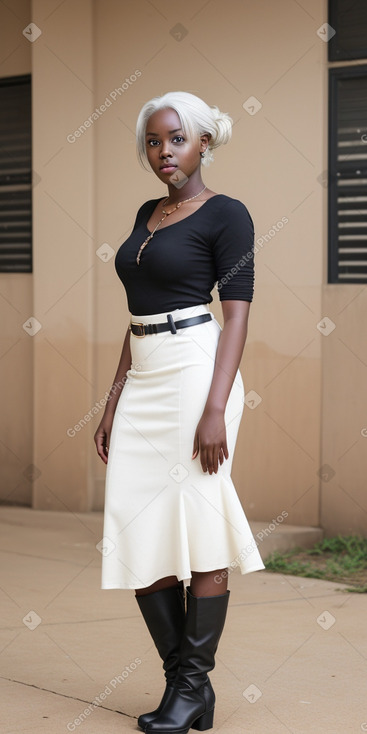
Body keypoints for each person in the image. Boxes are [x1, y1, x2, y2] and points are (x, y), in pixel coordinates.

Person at [94, 90, 265, 734]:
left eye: (177, 139)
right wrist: (113, 402)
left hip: (198, 372)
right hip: (145, 376)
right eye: (154, 141)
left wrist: (216, 407)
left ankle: (188, 689)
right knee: (140, 530)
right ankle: (187, 690)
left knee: (201, 524)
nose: (164, 151)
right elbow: (136, 317)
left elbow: (237, 313)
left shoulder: (229, 214)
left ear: (203, 144)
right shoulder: (148, 212)